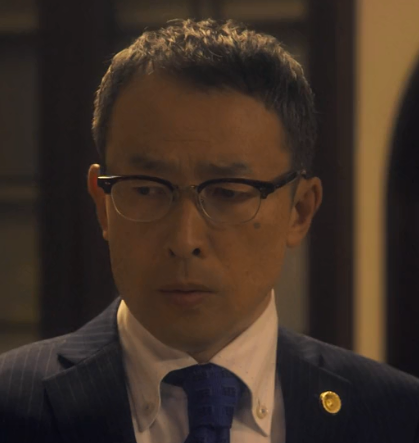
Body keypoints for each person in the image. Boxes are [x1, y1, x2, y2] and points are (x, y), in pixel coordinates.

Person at [1, 18, 418, 443]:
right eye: (146, 189)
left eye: (228, 193)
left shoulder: (396, 417)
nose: (184, 241)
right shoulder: (12, 407)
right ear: (102, 204)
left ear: (300, 210)